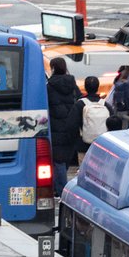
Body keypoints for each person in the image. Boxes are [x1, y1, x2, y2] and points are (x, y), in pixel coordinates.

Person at [47, 56, 82, 195]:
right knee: (65, 159)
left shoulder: (49, 87)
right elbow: (79, 100)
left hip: (56, 128)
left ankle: (62, 191)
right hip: (72, 126)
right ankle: (59, 187)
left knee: (58, 161)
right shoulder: (73, 85)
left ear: (53, 68)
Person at [78, 75, 109, 151]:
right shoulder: (105, 104)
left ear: (85, 87)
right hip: (103, 145)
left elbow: (72, 125)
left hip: (84, 145)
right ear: (98, 87)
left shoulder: (80, 104)